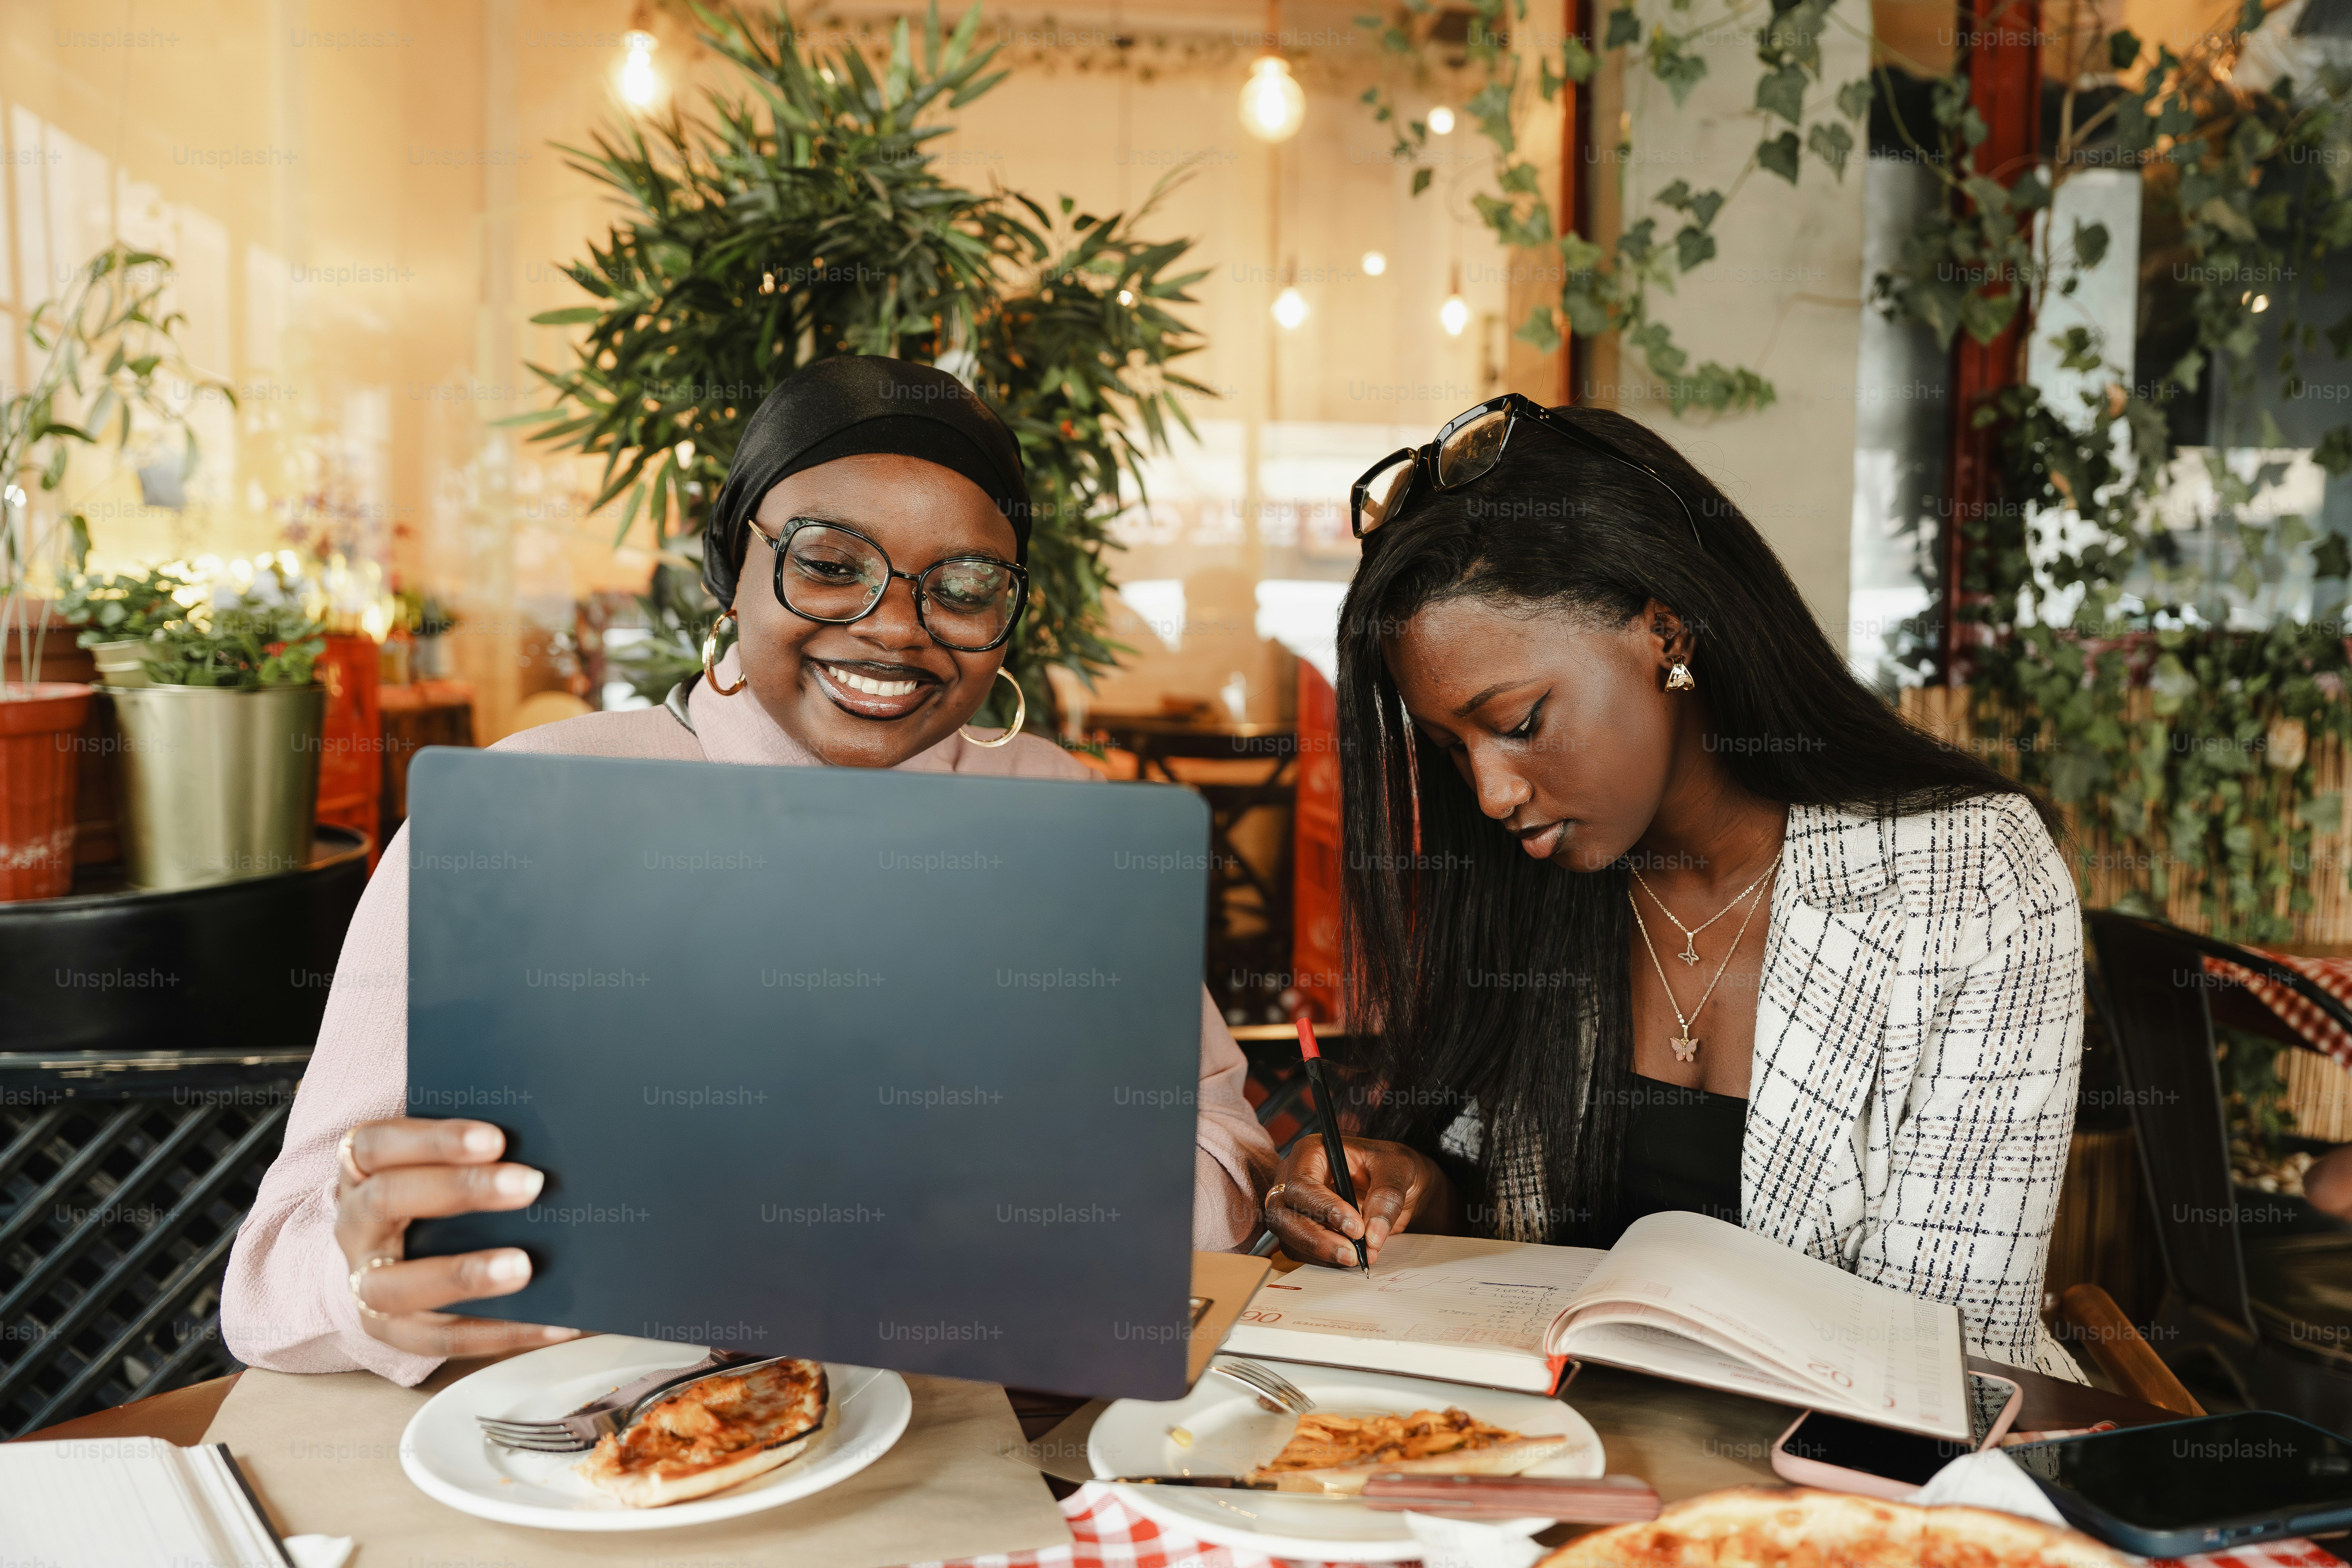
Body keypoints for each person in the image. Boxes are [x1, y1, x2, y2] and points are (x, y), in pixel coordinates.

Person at [223, 357, 1277, 1384]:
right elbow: (268, 1287)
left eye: (963, 587)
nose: (896, 626)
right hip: (596, 1442)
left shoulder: (1065, 815)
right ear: (733, 569)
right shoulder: (524, 813)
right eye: (829, 564)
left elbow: (1227, 1146)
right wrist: (368, 1282)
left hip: (980, 1417)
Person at [1259, 395, 2087, 1376]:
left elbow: (1954, 1356)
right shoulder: (1543, 881)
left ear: (1668, 634)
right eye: (1451, 749)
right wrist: (1412, 1189)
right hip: (1561, 1460)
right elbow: (1498, 1205)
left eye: (1519, 722)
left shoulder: (1968, 879)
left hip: (1861, 1489)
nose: (1488, 791)